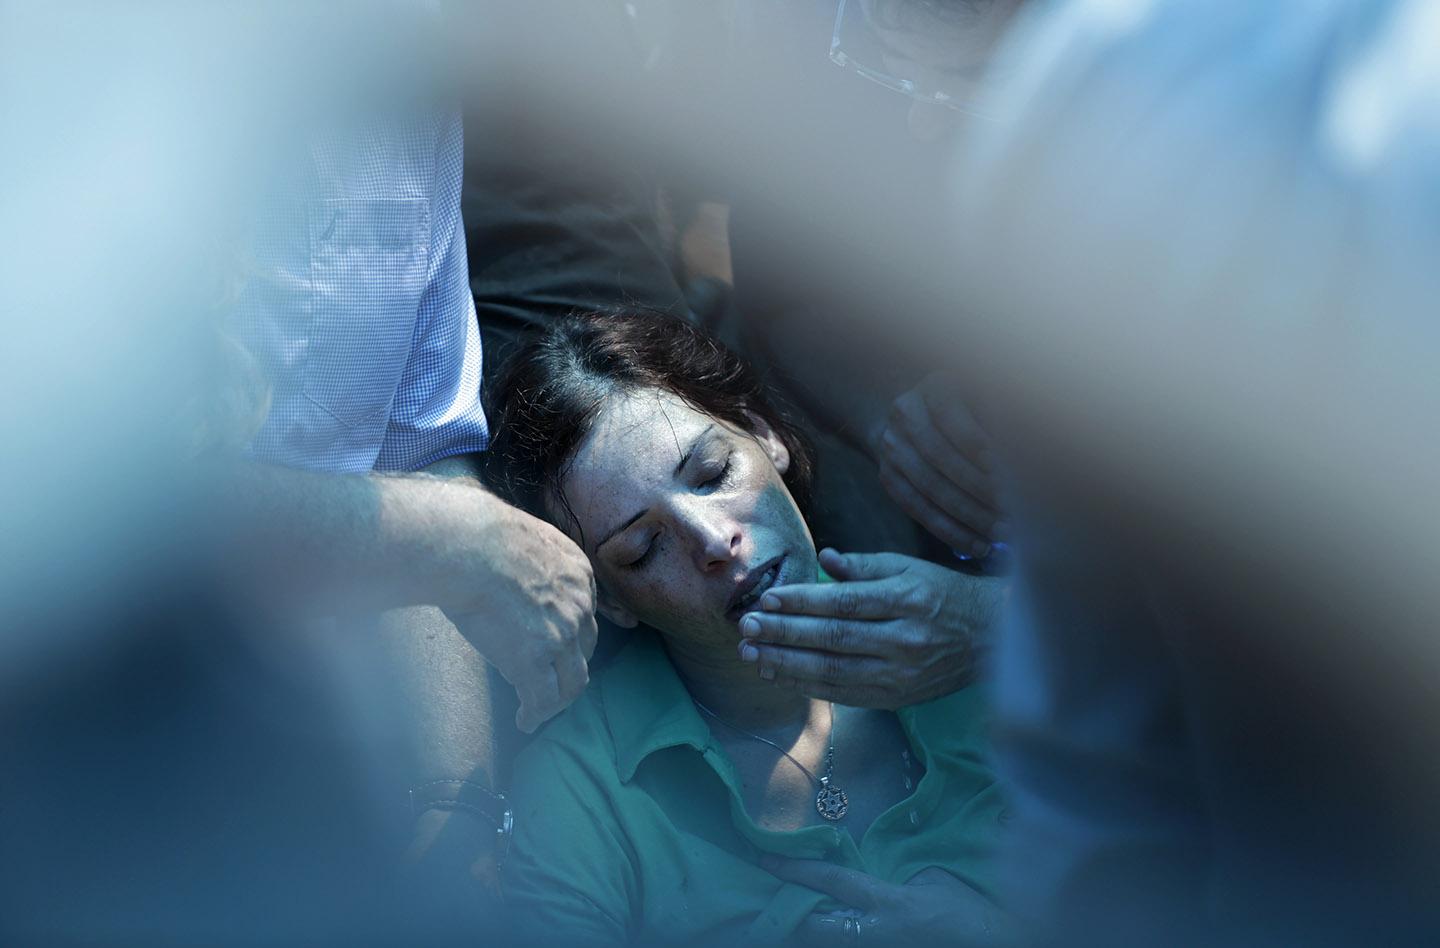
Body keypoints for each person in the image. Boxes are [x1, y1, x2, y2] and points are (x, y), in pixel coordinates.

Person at [488, 311, 1012, 946]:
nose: (714, 541)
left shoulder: (987, 636)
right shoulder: (583, 787)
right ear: (611, 601)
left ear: (766, 437)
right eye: (643, 548)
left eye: (712, 475)